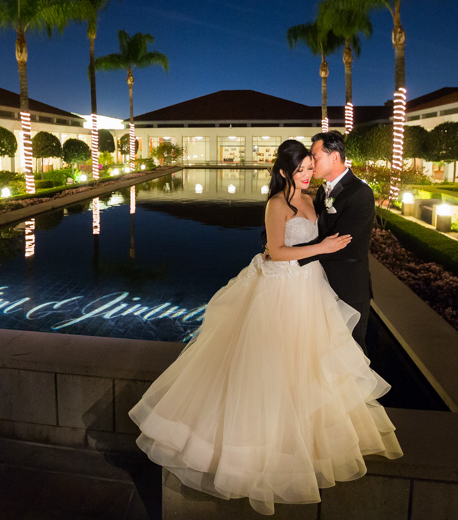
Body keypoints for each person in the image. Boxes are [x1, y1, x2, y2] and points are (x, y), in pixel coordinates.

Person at [129, 139, 402, 516]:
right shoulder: (277, 204)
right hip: (282, 288)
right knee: (269, 364)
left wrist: (320, 247)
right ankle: (256, 445)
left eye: (311, 166)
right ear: (283, 172)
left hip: (310, 289)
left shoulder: (313, 198)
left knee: (307, 362)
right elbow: (276, 250)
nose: (308, 174)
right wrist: (320, 248)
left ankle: (305, 434)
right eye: (302, 169)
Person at [299, 131, 376, 352]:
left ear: (334, 157)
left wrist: (290, 256)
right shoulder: (324, 192)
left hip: (348, 287)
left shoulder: (360, 193)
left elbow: (340, 244)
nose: (311, 163)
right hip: (322, 284)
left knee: (351, 353)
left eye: (315, 157)